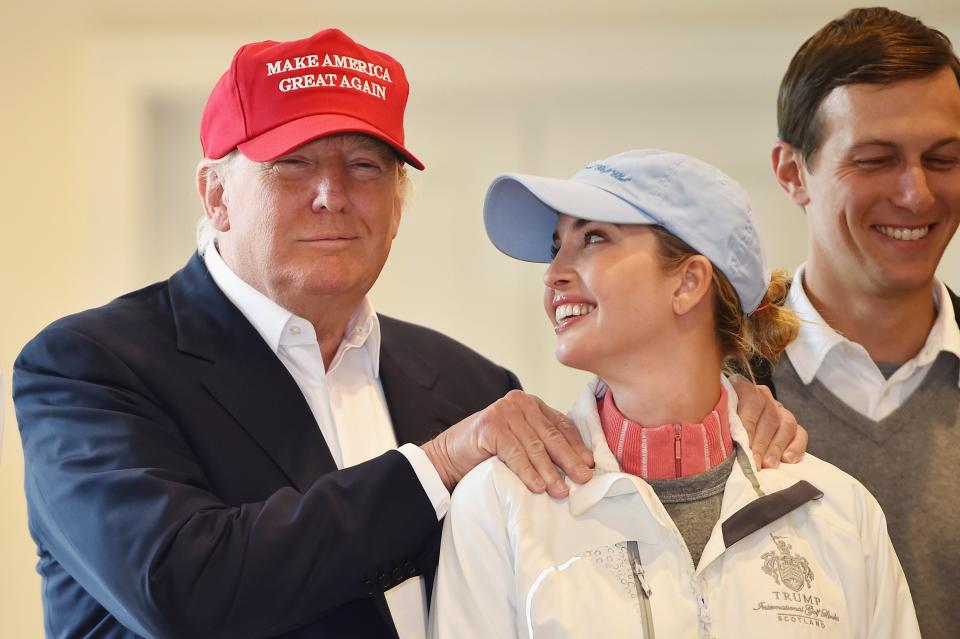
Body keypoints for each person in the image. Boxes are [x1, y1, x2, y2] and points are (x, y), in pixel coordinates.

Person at [13, 30, 802, 639]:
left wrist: (736, 405)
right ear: (215, 194)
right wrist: (437, 464)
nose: (332, 194)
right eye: (293, 164)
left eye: (365, 165)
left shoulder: (467, 383)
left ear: (399, 199)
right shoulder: (90, 365)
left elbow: (615, 462)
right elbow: (181, 586)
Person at [430, 149, 919, 638]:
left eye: (593, 237)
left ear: (688, 282)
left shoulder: (840, 513)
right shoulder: (499, 504)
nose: (552, 271)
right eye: (557, 243)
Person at [765, 8, 960, 636]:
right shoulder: (710, 380)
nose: (917, 195)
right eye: (876, 160)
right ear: (793, 173)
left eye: (944, 158)